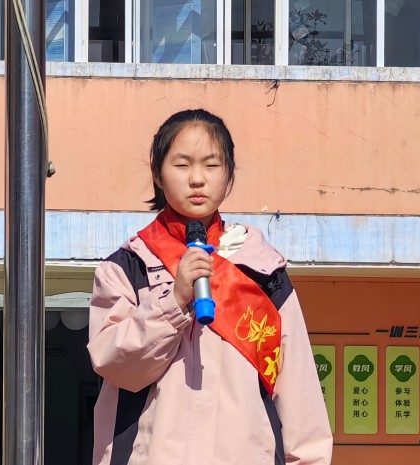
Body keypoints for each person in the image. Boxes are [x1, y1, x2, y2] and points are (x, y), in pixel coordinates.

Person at [87, 109, 333, 465]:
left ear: (229, 175)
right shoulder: (127, 268)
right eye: (182, 165)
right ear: (157, 173)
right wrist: (174, 302)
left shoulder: (264, 270)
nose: (197, 179)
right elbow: (114, 365)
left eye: (211, 165)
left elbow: (299, 390)